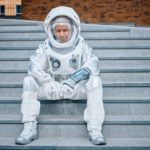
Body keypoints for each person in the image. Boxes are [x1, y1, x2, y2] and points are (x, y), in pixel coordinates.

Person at [15, 6, 106, 145]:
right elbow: (33, 65)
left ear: (73, 29)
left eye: (65, 30)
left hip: (75, 88)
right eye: (58, 30)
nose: (62, 34)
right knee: (29, 81)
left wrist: (73, 80)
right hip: (53, 88)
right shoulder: (45, 48)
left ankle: (95, 129)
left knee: (95, 82)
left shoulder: (82, 46)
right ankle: (29, 127)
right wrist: (46, 81)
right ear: (51, 30)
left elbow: (93, 65)